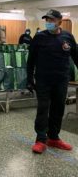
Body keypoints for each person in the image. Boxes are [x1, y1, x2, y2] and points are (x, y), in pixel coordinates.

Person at [27, 9, 78, 154]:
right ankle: (40, 139)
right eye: (47, 20)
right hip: (43, 80)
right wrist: (30, 78)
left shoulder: (68, 37)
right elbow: (31, 60)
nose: (48, 23)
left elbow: (76, 56)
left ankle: (54, 138)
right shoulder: (39, 37)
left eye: (51, 20)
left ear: (59, 22)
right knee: (43, 109)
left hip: (61, 80)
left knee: (58, 109)